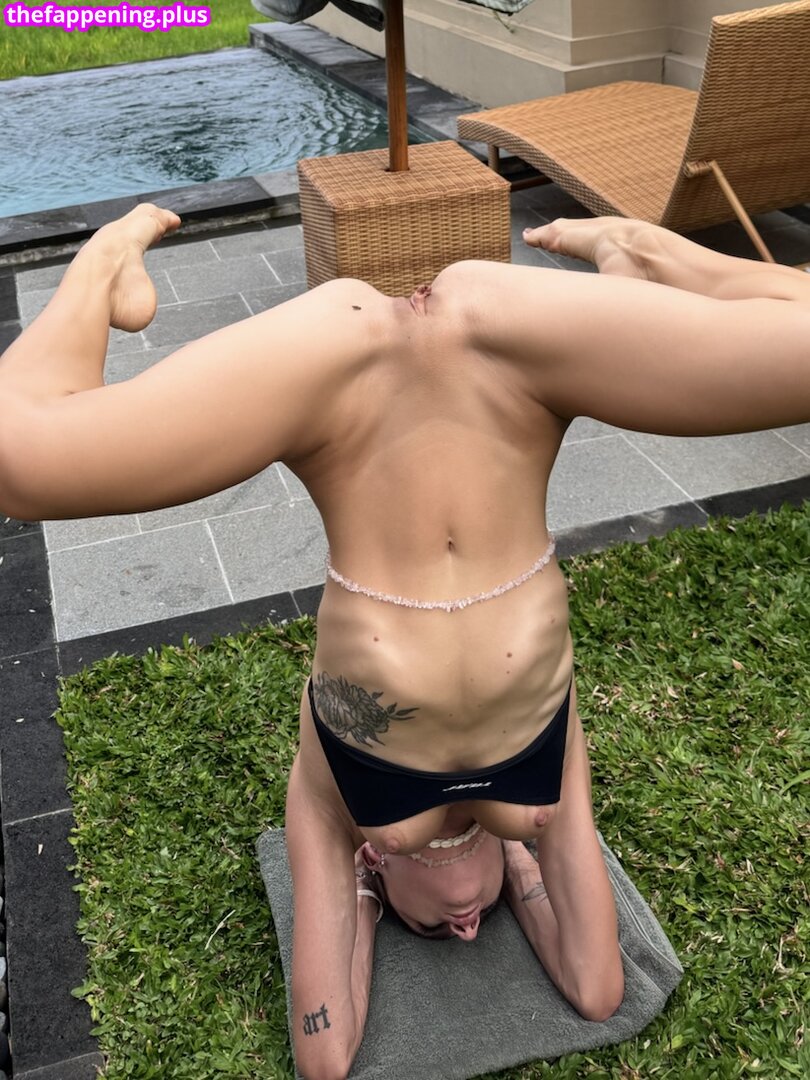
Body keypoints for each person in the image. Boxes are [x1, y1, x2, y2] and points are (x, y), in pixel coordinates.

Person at [0, 206, 808, 1080]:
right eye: (477, 925)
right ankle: (644, 254)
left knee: (22, 465)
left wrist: (361, 895)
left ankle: (103, 260)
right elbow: (596, 987)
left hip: (341, 380)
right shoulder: (536, 798)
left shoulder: (343, 806)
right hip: (511, 359)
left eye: (435, 928)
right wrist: (518, 865)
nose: (464, 929)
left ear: (374, 871)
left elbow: (326, 1056)